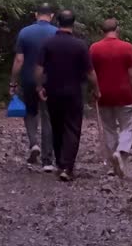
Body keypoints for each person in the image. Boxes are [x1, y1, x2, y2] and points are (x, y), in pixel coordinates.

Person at [34, 9, 100, 182]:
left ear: (58, 22)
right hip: (73, 92)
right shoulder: (80, 45)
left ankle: (60, 163)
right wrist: (97, 89)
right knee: (72, 128)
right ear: (73, 24)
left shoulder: (48, 44)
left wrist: (39, 86)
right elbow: (90, 72)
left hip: (53, 91)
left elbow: (39, 69)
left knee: (56, 126)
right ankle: (67, 167)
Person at [9, 3, 57, 172]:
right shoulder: (56, 33)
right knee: (48, 118)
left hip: (28, 80)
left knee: (30, 113)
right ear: (51, 15)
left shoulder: (24, 32)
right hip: (50, 82)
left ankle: (34, 143)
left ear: (36, 14)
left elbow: (19, 60)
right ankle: (47, 161)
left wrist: (13, 81)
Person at [89, 18, 132, 178]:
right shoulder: (127, 47)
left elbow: (91, 73)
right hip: (124, 93)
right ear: (118, 29)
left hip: (103, 94)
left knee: (109, 128)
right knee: (127, 126)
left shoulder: (94, 48)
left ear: (102, 31)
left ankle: (113, 164)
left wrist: (94, 90)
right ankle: (121, 152)